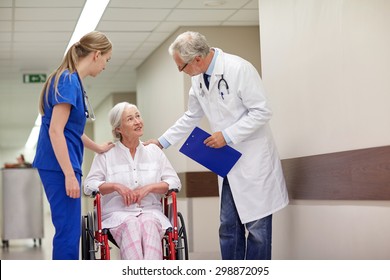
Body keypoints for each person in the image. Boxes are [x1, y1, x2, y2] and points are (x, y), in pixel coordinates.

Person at [145, 31, 289, 260]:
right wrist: (162, 142)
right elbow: (191, 116)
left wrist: (227, 135)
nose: (181, 72)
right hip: (228, 165)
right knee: (228, 228)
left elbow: (262, 111)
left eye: (181, 67)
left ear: (197, 60)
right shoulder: (198, 78)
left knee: (257, 231)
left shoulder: (239, 69)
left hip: (254, 161)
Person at [32, 31, 115, 260]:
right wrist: (69, 174)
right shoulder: (68, 80)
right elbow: (56, 130)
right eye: (106, 60)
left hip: (61, 163)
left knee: (68, 230)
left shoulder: (71, 80)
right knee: (68, 232)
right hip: (59, 166)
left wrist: (97, 148)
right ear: (96, 55)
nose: (105, 66)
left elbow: (71, 131)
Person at [84, 102, 181, 260]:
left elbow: (175, 182)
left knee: (148, 222)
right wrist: (115, 186)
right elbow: (89, 186)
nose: (137, 121)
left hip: (151, 213)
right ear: (118, 129)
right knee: (131, 224)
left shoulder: (154, 152)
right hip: (118, 215)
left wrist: (149, 188)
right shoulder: (106, 155)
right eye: (130, 119)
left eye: (138, 116)